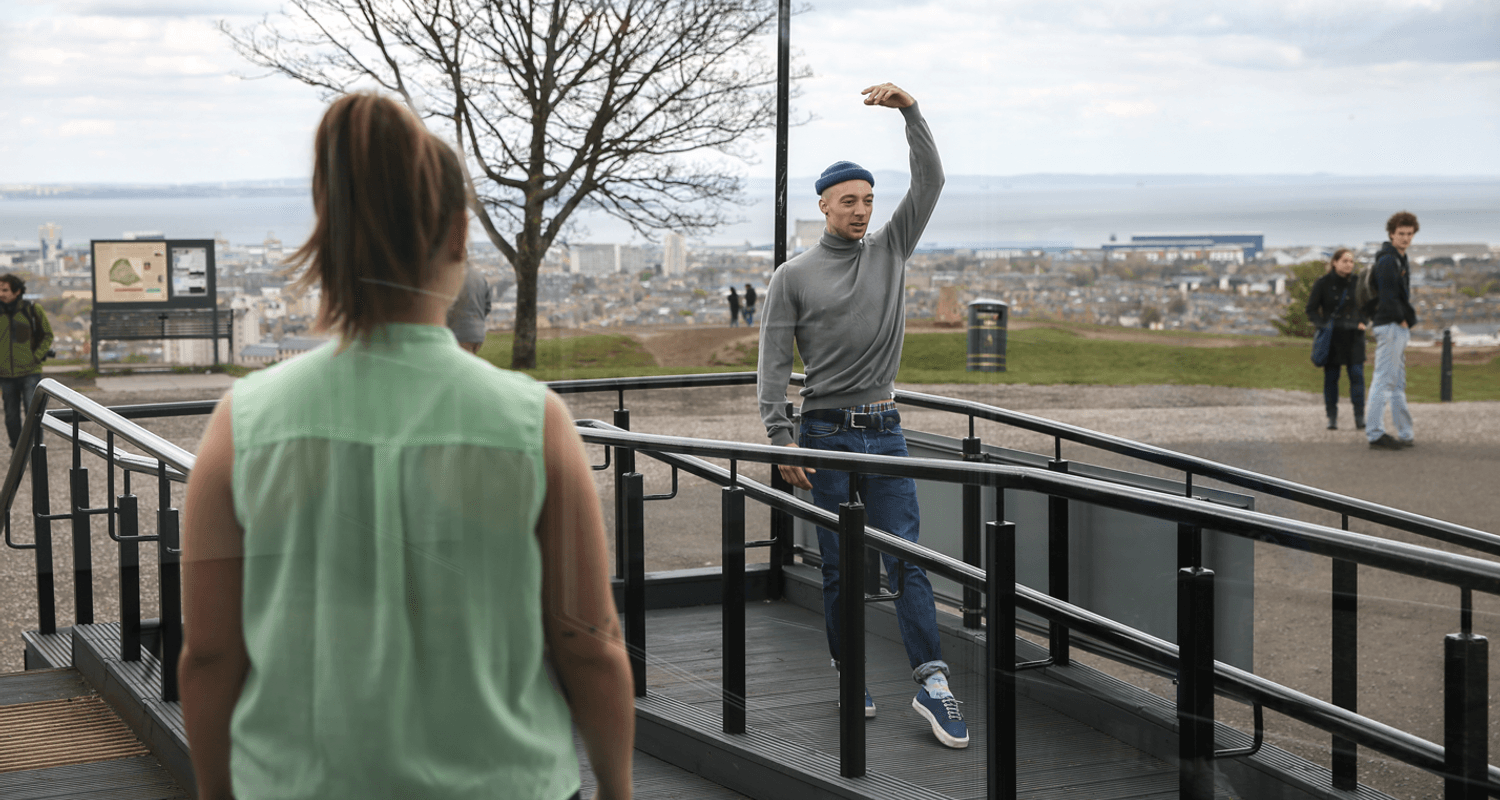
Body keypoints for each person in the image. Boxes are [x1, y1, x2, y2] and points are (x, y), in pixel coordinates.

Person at [178, 93, 634, 800]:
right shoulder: (530, 421)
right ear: (458, 235)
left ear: (331, 238)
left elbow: (208, 654)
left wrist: (214, 790)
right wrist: (617, 788)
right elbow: (589, 640)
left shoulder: (244, 420)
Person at [756, 82, 967, 749]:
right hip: (825, 436)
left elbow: (931, 179)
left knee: (906, 558)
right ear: (823, 205)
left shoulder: (891, 251)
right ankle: (850, 671)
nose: (863, 209)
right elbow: (770, 363)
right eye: (850, 200)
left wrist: (911, 111)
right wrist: (781, 439)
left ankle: (932, 682)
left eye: (869, 199)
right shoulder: (793, 275)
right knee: (842, 568)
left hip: (887, 430)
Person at [1366, 211, 1419, 450]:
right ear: (1391, 234)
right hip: (1390, 325)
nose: (1405, 238)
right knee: (1384, 380)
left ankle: (1406, 433)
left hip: (1394, 325)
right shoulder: (1388, 260)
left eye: (1409, 234)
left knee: (1396, 382)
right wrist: (1403, 320)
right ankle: (1375, 433)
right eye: (1401, 234)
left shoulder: (1399, 257)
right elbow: (1388, 297)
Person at [1305, 248, 1366, 430]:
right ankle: (1332, 417)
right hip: (1332, 338)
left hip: (1354, 336)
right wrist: (1322, 324)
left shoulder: (1358, 283)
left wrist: (1363, 321)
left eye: (1351, 261)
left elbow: (1369, 305)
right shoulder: (1323, 283)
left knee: (1357, 377)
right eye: (1345, 261)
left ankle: (1359, 417)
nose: (1349, 265)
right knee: (1331, 379)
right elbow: (1311, 309)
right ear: (1335, 262)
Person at [0, 274, 53, 450]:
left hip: (30, 372)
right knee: (11, 416)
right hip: (5, 374)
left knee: (34, 414)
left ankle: (37, 449)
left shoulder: (32, 310)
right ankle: (18, 451)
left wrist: (36, 357)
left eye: (5, 290)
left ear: (17, 291)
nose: (1, 293)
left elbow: (47, 335)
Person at [447, 264, 493, 354]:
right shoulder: (479, 277)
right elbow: (487, 306)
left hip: (458, 333)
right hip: (478, 334)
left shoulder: (450, 275)